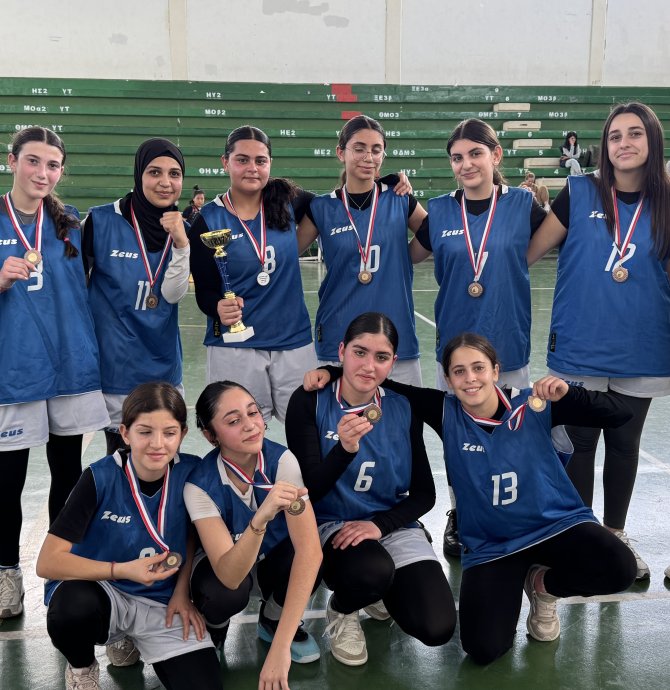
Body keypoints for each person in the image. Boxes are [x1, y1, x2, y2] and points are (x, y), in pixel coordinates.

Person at [305, 331, 637, 665]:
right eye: (459, 371)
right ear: (448, 380)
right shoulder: (445, 411)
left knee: (620, 569)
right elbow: (384, 382)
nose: (470, 378)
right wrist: (332, 372)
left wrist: (570, 394)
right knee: (483, 648)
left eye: (478, 368)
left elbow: (621, 414)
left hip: (556, 526)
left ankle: (543, 585)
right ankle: (522, 582)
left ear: (495, 370)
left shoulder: (535, 404)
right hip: (493, 545)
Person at [527, 101, 670, 580]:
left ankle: (616, 537)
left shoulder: (667, 201)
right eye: (615, 136)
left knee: (625, 444)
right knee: (580, 444)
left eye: (635, 134)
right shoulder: (579, 191)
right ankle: (581, 537)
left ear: (652, 141)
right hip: (580, 345)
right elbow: (528, 252)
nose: (624, 143)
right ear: (604, 146)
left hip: (643, 347)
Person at [409, 118, 547, 558]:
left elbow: (555, 240)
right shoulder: (439, 211)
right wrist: (400, 198)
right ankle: (461, 511)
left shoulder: (522, 204)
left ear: (495, 155)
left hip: (507, 341)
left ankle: (509, 509)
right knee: (460, 437)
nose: (466, 164)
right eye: (457, 157)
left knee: (510, 434)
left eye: (475, 154)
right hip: (455, 346)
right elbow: (404, 257)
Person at [286, 312, 456, 667]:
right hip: (330, 524)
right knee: (371, 571)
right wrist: (344, 451)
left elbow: (424, 494)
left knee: (437, 627)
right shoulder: (310, 400)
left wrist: (380, 526)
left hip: (387, 524)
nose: (368, 365)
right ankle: (343, 608)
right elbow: (309, 491)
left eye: (381, 357)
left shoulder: (402, 407)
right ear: (341, 351)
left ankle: (379, 587)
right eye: (359, 352)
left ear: (393, 362)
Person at [36, 383, 221, 690]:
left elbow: (192, 535)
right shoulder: (99, 477)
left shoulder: (193, 471)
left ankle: (131, 638)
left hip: (163, 601)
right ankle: (82, 668)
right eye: (145, 432)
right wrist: (121, 570)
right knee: (70, 609)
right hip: (105, 592)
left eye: (169, 432)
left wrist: (181, 591)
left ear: (182, 434)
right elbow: (47, 562)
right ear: (125, 433)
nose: (157, 443)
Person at [0, 126, 109, 620]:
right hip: (15, 371)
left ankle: (60, 571)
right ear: (12, 161)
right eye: (33, 161)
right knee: (8, 483)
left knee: (67, 477)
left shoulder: (72, 225)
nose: (42, 173)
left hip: (69, 368)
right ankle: (7, 572)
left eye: (52, 165)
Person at [186, 381, 322, 688]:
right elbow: (230, 575)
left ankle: (273, 620)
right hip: (227, 570)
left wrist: (280, 649)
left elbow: (310, 552)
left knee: (310, 556)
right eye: (233, 421)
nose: (250, 425)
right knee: (223, 593)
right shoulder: (199, 485)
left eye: (253, 413)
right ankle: (216, 627)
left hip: (271, 560)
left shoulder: (282, 462)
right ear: (210, 435)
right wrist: (260, 518)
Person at [189, 125, 317, 423]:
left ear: (270, 163)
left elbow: (342, 201)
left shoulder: (290, 202)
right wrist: (217, 307)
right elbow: (204, 290)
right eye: (242, 160)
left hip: (292, 342)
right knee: (240, 433)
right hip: (236, 346)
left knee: (307, 428)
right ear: (225, 162)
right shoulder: (208, 220)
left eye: (260, 161)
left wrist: (387, 183)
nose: (252, 168)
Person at [296, 115, 427, 386]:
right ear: (340, 152)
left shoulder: (400, 199)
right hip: (339, 335)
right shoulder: (321, 208)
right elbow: (286, 255)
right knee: (341, 413)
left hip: (396, 334)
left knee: (403, 412)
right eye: (359, 148)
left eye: (376, 150)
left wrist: (406, 256)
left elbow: (435, 235)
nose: (368, 157)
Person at [83, 138, 190, 455]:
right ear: (139, 174)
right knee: (120, 460)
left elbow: (172, 294)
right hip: (115, 369)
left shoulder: (185, 228)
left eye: (174, 174)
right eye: (154, 172)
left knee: (161, 459)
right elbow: (74, 290)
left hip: (164, 369)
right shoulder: (100, 222)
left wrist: (182, 244)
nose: (165, 182)